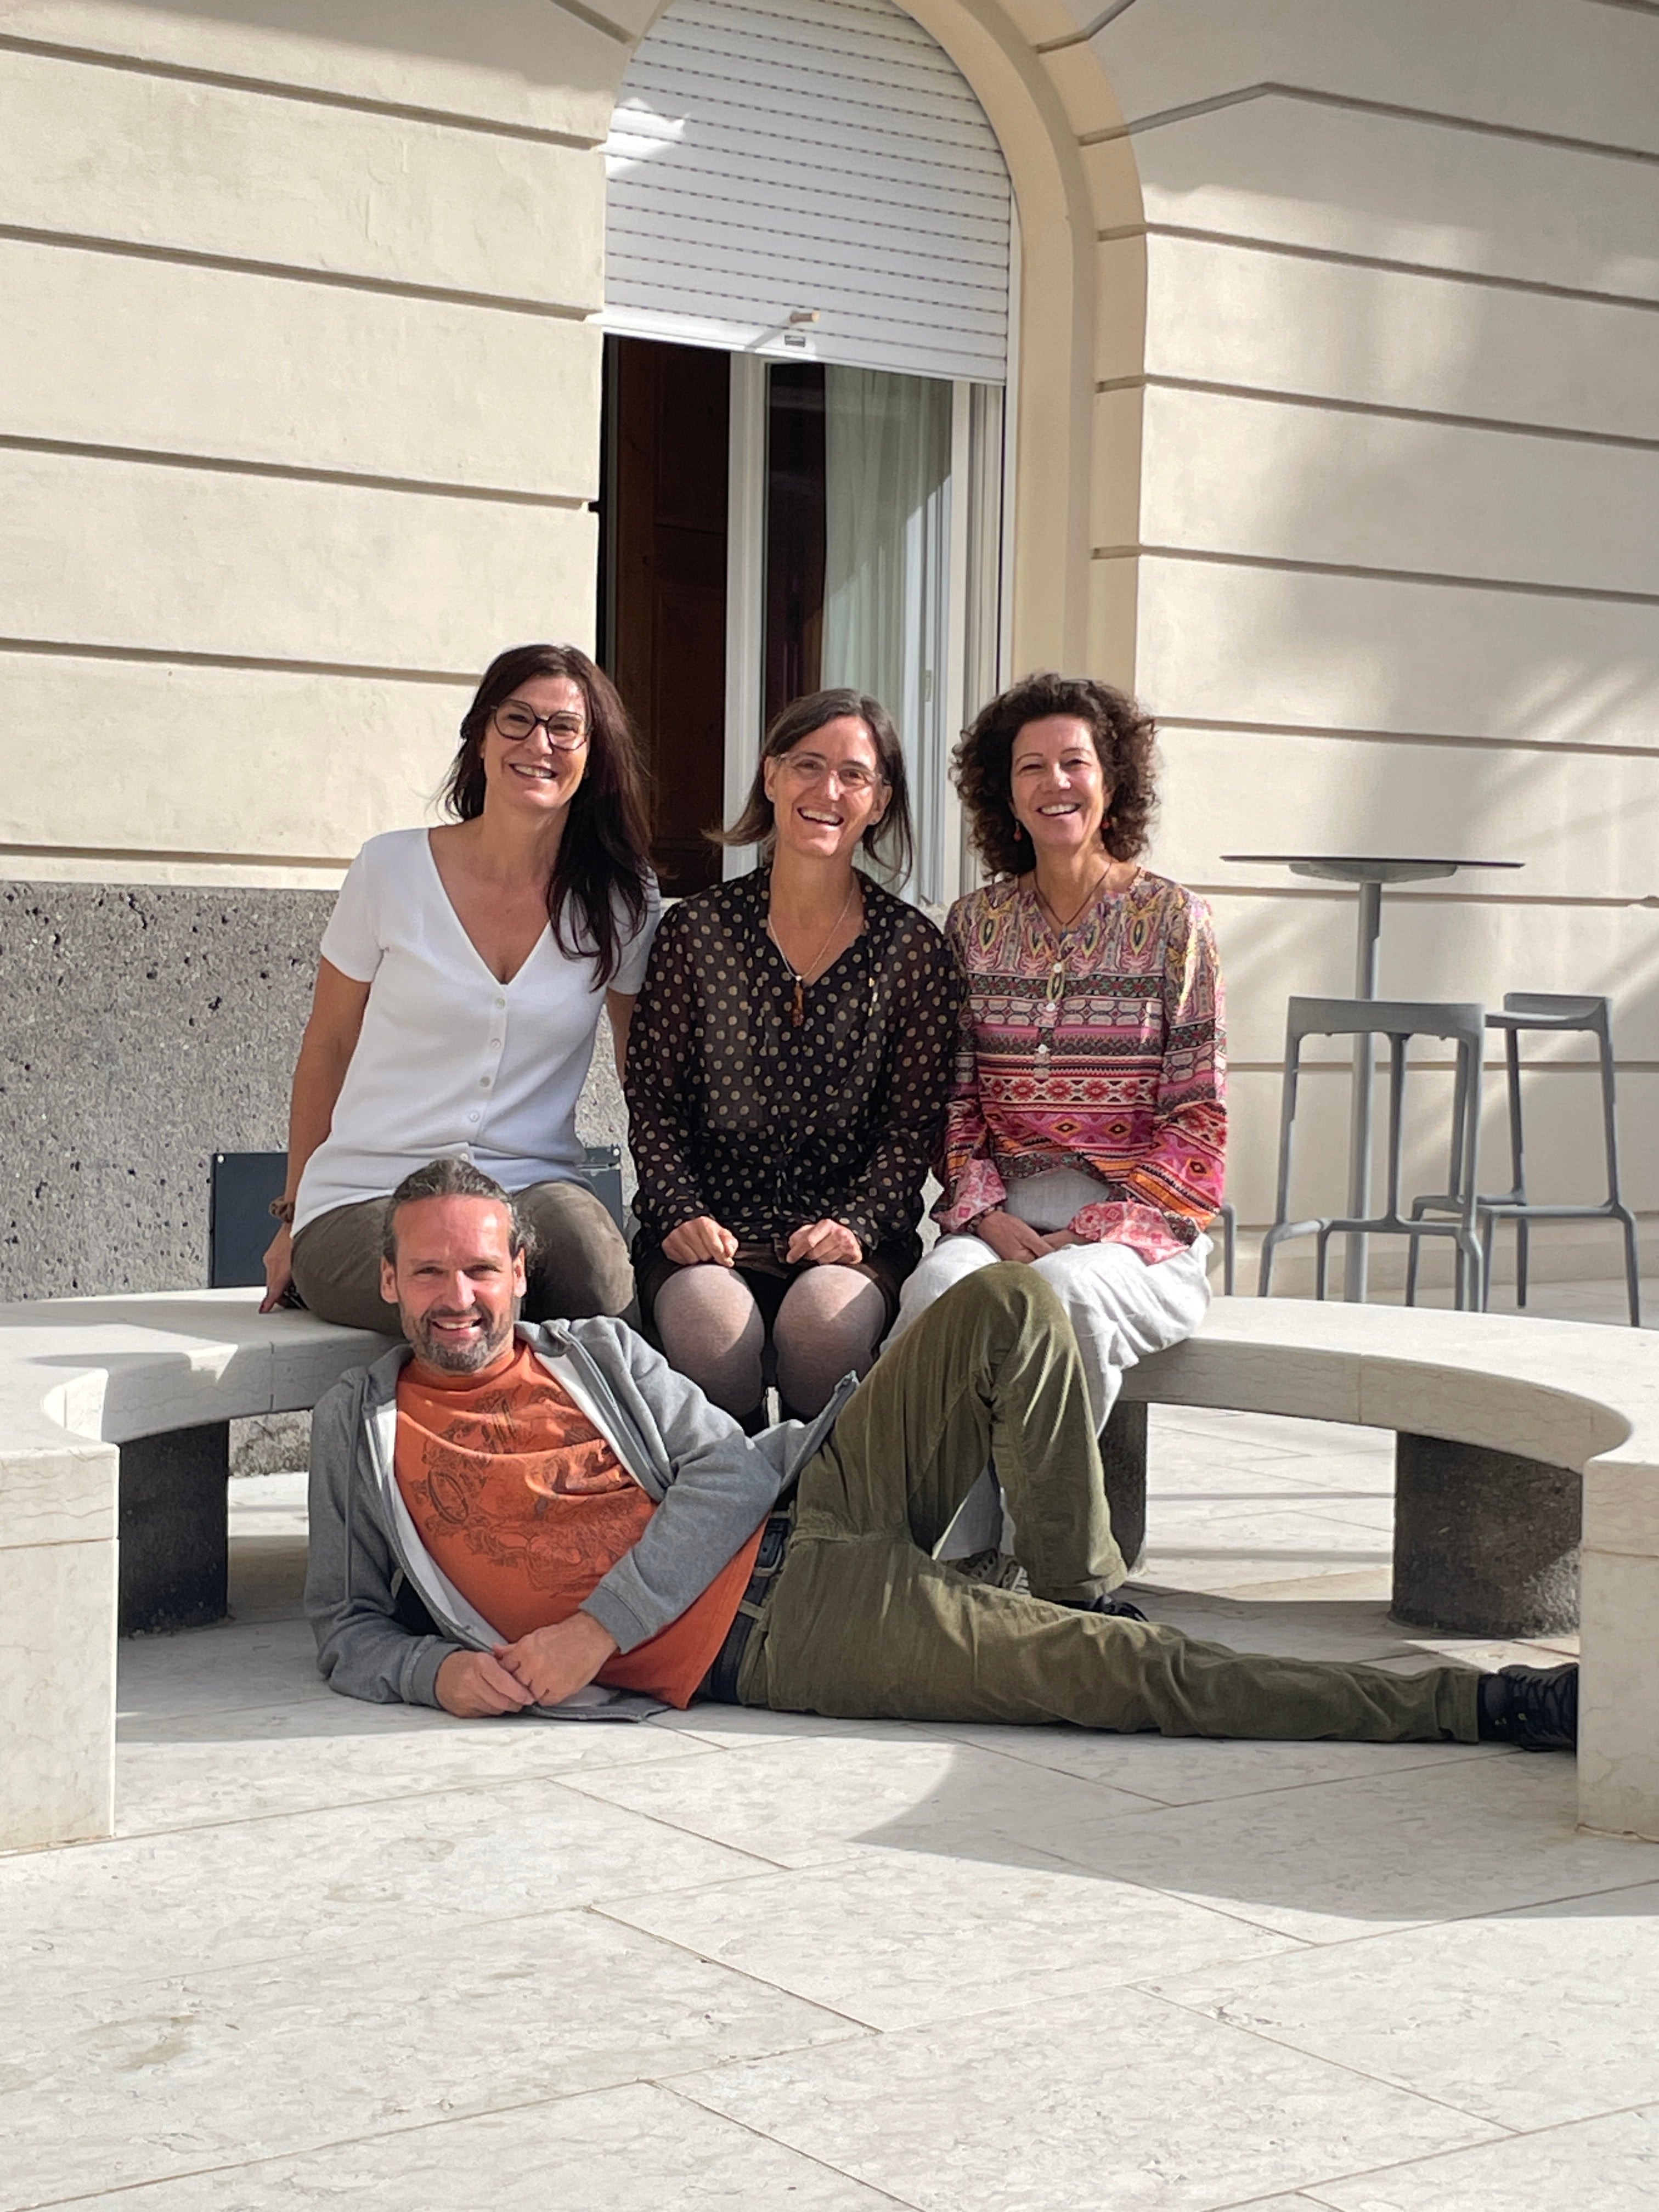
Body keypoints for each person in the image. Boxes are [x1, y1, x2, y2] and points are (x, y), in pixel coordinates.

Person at [304, 1158, 1577, 1757]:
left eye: (482, 1269)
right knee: (1143, 1680)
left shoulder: (591, 1352)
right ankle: (1479, 1705)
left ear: (519, 1271)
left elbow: (729, 1471)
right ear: (391, 1282)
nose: (460, 1297)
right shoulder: (359, 1428)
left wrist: (596, 1628)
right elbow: (346, 1627)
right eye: (433, 1273)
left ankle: (1076, 1586)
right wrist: (434, 1675)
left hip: (809, 1500)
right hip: (782, 1636)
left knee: (1008, 1301)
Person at [261, 643, 658, 1334]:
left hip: (531, 1186)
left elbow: (642, 1066)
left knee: (598, 1274)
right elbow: (329, 1044)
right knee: (457, 1290)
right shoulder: (390, 869)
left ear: (594, 755)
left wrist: (681, 1204)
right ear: (480, 736)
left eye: (565, 728)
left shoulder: (621, 899)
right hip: (368, 1192)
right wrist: (292, 1216)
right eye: (517, 719)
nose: (540, 744)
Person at [888, 672, 1226, 1435]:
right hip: (1001, 1220)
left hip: (1140, 1236)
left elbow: (1199, 1119)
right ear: (1006, 796)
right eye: (1031, 767)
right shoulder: (972, 927)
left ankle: (1044, 1515)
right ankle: (934, 1512)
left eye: (1075, 762)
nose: (1056, 782)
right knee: (937, 1294)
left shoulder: (1177, 922)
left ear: (1112, 780)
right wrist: (985, 1216)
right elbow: (956, 1100)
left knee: (1062, 1297)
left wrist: (1091, 1230)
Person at [622, 689, 961, 1423]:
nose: (827, 790)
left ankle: (821, 1494)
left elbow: (913, 1126)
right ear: (771, 775)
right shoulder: (697, 931)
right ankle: (732, 1492)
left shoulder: (912, 950)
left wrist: (857, 1224)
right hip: (709, 1227)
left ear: (880, 801)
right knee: (710, 1327)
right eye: (808, 765)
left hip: (852, 1235)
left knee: (822, 1326)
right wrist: (679, 1210)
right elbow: (652, 1097)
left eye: (853, 774)